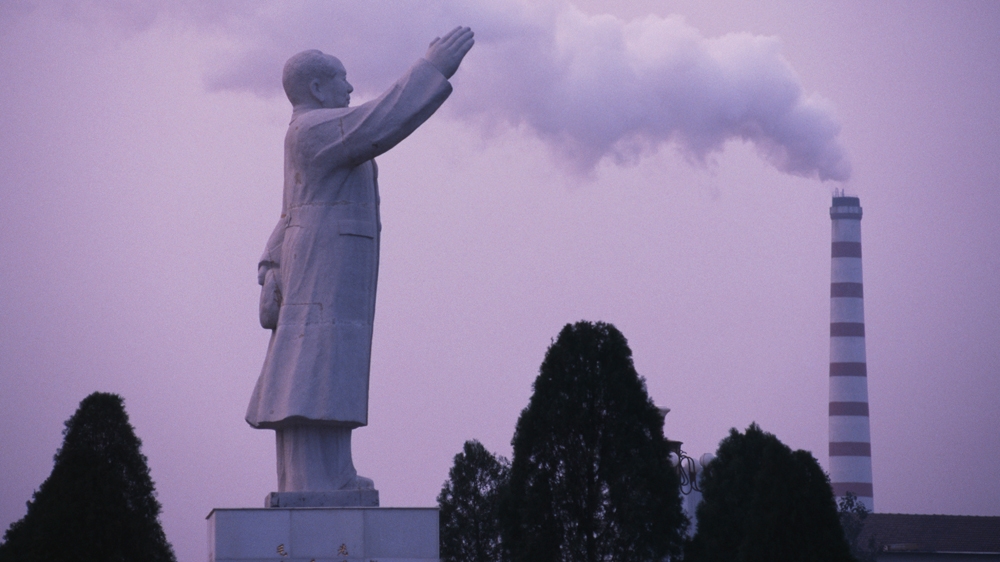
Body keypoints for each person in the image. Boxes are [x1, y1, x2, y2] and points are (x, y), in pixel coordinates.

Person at [246, 27, 475, 493]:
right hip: (321, 262)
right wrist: (432, 68)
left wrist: (269, 264)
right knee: (313, 362)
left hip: (326, 259)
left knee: (331, 365)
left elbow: (289, 208)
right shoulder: (313, 129)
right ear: (317, 87)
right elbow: (379, 122)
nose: (350, 88)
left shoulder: (309, 132)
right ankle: (312, 478)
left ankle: (334, 471)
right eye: (342, 79)